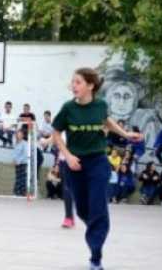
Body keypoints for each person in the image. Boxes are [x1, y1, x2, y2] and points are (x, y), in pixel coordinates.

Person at [51, 67, 142, 270]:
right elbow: (56, 133)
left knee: (98, 208)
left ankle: (95, 257)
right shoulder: (68, 108)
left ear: (90, 85)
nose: (73, 86)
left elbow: (106, 121)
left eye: (78, 82)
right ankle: (96, 229)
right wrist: (68, 156)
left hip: (98, 162)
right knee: (83, 209)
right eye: (73, 82)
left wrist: (126, 134)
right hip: (75, 165)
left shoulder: (100, 105)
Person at [13, 128, 30, 197]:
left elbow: (25, 154)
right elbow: (15, 153)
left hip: (23, 163)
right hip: (17, 163)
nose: (18, 135)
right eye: (17, 134)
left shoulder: (25, 143)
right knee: (17, 177)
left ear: (23, 135)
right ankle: (17, 192)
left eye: (20, 134)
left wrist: (19, 161)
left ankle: (22, 192)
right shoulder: (16, 143)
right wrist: (14, 160)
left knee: (22, 178)